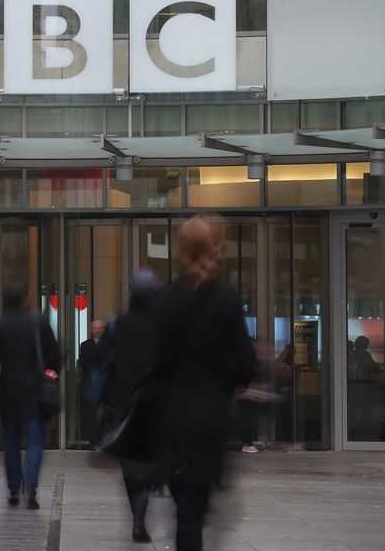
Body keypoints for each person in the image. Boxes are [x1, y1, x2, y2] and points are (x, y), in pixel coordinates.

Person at [151, 216, 256, 551]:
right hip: (210, 420)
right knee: (195, 506)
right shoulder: (225, 299)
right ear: (215, 249)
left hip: (171, 420)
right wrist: (222, 378)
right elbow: (246, 364)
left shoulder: (166, 299)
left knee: (185, 510)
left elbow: (153, 361)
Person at [95, 270, 162, 543]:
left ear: (131, 295)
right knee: (148, 461)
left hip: (121, 407)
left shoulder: (116, 326)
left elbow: (99, 361)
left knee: (131, 465)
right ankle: (139, 519)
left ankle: (137, 515)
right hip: (154, 405)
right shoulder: (163, 326)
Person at [0, 283, 59, 509]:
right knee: (35, 441)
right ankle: (31, 490)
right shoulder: (39, 323)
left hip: (9, 392)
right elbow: (54, 351)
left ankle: (14, 490)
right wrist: (50, 372)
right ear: (25, 298)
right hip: (35, 390)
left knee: (11, 441)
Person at [78, 319, 106, 448]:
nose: (99, 330)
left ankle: (105, 440)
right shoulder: (85, 345)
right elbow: (84, 362)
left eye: (101, 328)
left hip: (106, 384)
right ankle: (93, 441)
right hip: (90, 384)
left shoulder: (110, 345)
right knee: (90, 414)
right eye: (96, 328)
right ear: (92, 329)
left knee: (105, 413)